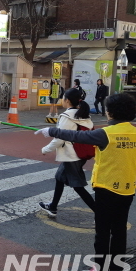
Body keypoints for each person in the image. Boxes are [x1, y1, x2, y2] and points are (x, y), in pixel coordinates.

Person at [35, 93, 136, 271]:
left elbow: (76, 136)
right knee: (119, 231)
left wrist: (51, 131)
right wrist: (134, 183)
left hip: (106, 187)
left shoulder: (106, 134)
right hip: (128, 189)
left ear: (109, 113)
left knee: (102, 231)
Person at [38, 88, 96, 218]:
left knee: (78, 186)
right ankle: (53, 206)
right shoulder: (84, 115)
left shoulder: (67, 116)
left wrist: (45, 149)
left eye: (63, 98)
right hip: (80, 154)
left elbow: (60, 137)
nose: (62, 100)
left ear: (67, 100)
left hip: (72, 155)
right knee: (59, 178)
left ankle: (100, 213)